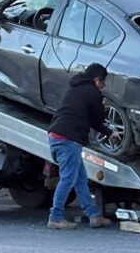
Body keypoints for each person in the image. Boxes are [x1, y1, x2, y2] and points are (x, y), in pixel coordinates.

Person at [46, 63, 115, 230]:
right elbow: (97, 120)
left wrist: (108, 132)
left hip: (57, 135)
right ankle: (55, 218)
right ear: (97, 79)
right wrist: (102, 105)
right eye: (103, 83)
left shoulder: (74, 86)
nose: (102, 86)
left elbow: (88, 118)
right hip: (68, 139)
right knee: (68, 179)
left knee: (80, 179)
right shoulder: (92, 92)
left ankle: (94, 216)